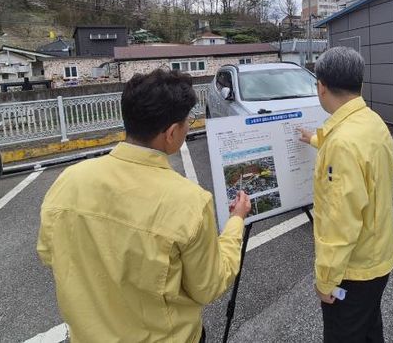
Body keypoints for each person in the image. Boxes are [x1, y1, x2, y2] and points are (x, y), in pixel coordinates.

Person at [37, 69, 251, 343]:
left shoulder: (69, 180)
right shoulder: (189, 202)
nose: (188, 126)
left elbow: (49, 252)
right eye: (187, 121)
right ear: (171, 133)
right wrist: (236, 222)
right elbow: (208, 286)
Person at [298, 46, 393, 343]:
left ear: (321, 86)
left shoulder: (341, 143)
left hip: (355, 270)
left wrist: (326, 279)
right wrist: (315, 139)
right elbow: (357, 158)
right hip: (378, 253)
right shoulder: (372, 121)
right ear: (359, 83)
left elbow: (339, 222)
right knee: (369, 328)